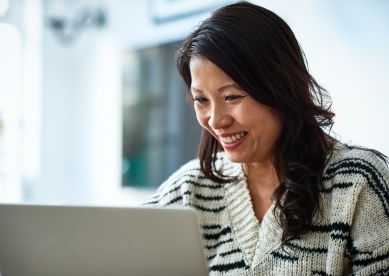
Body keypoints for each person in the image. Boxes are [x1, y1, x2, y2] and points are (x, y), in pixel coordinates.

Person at [143, 1, 389, 275]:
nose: (215, 120)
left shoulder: (360, 183)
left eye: (232, 97)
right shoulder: (189, 190)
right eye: (201, 99)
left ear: (280, 88)